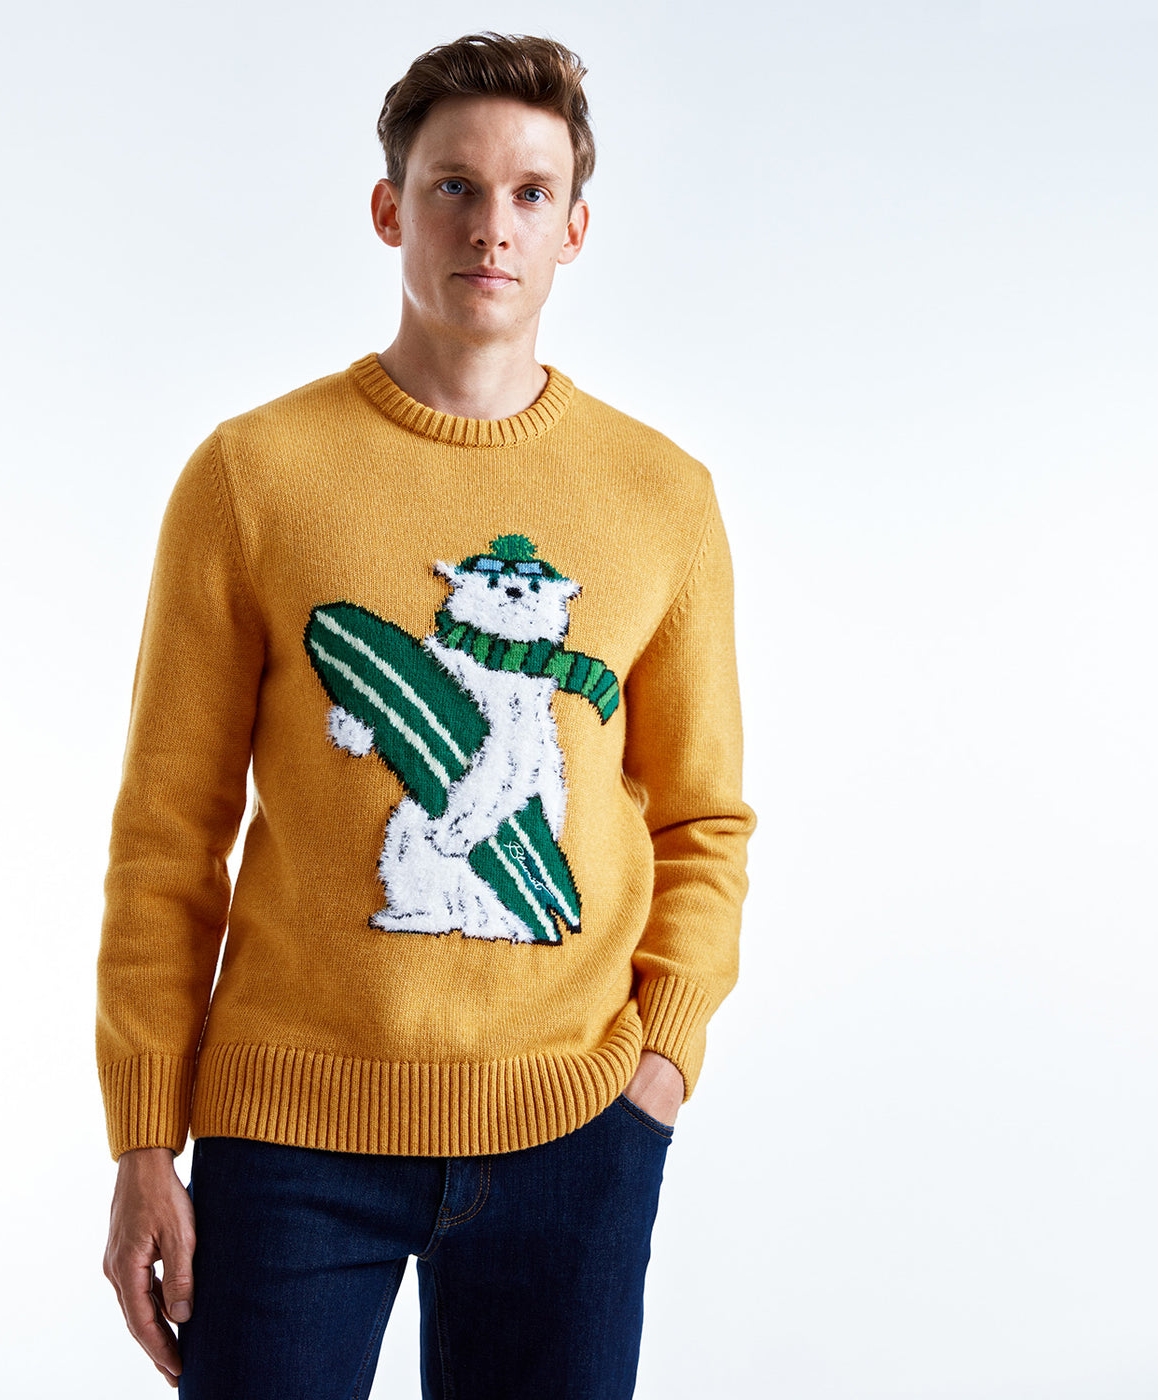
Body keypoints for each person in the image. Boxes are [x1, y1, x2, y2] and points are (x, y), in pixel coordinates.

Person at [97, 29, 757, 1400]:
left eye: (529, 193)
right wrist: (143, 1135)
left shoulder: (662, 498)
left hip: (576, 1122)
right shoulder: (253, 476)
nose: (489, 226)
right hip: (290, 1131)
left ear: (574, 230)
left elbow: (702, 818)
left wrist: (662, 1064)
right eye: (453, 185)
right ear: (390, 209)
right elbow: (168, 835)